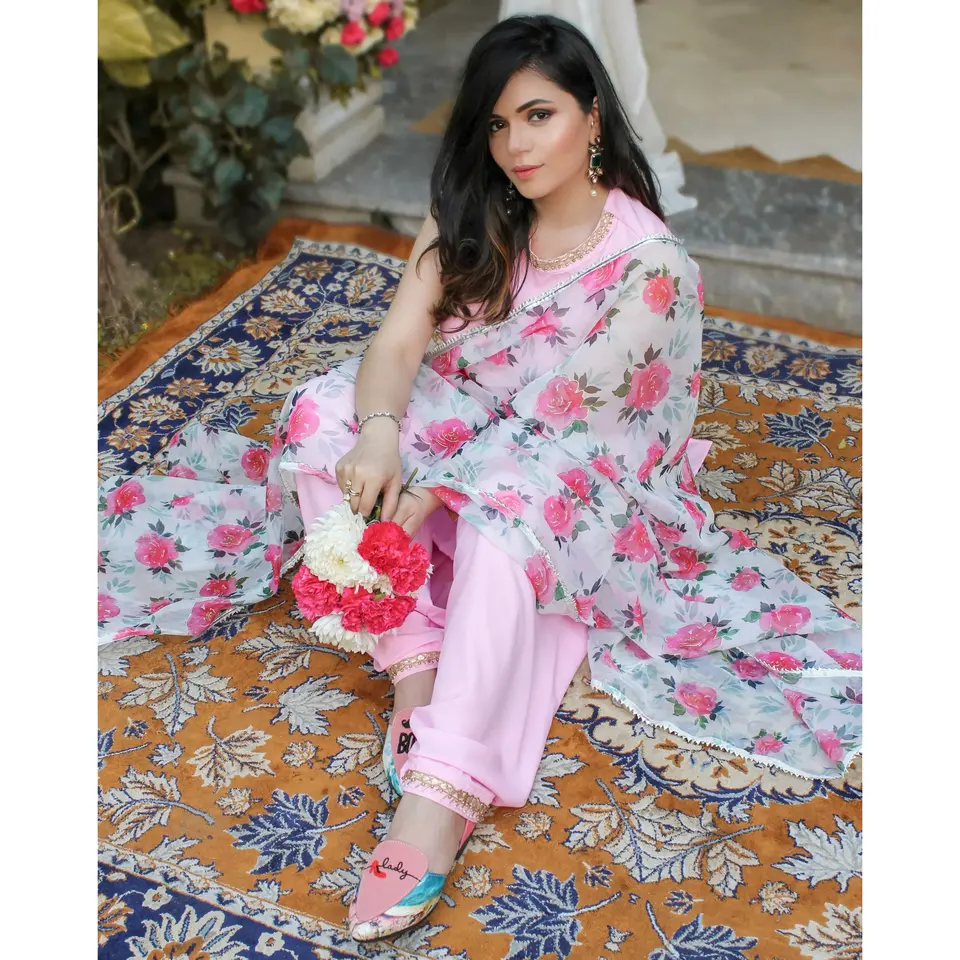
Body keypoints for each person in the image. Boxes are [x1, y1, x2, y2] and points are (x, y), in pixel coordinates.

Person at [97, 15, 862, 944]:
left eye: (538, 116)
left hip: (579, 468)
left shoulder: (648, 267)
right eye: (497, 124)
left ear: (591, 115)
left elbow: (560, 423)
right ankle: (416, 656)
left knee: (506, 507)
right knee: (323, 415)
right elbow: (398, 344)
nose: (515, 146)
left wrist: (435, 490)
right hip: (466, 421)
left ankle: (443, 790)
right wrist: (381, 438)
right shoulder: (473, 202)